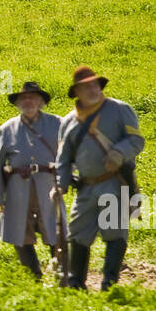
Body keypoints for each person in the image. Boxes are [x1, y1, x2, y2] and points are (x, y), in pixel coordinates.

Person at [53, 65, 145, 290]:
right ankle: (76, 284)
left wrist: (119, 152)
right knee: (78, 234)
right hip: (85, 187)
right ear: (77, 92)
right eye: (86, 87)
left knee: (114, 234)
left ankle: (109, 284)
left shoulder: (120, 110)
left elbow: (136, 141)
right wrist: (60, 183)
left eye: (95, 85)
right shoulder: (68, 122)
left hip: (113, 183)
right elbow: (63, 159)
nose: (92, 90)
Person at [0, 81, 66, 281]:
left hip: (49, 186)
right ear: (18, 103)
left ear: (41, 102)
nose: (28, 101)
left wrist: (65, 182)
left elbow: (68, 156)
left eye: (33, 97)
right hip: (17, 188)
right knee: (19, 233)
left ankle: (62, 276)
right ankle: (34, 278)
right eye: (24, 98)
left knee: (56, 232)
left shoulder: (58, 124)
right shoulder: (6, 129)